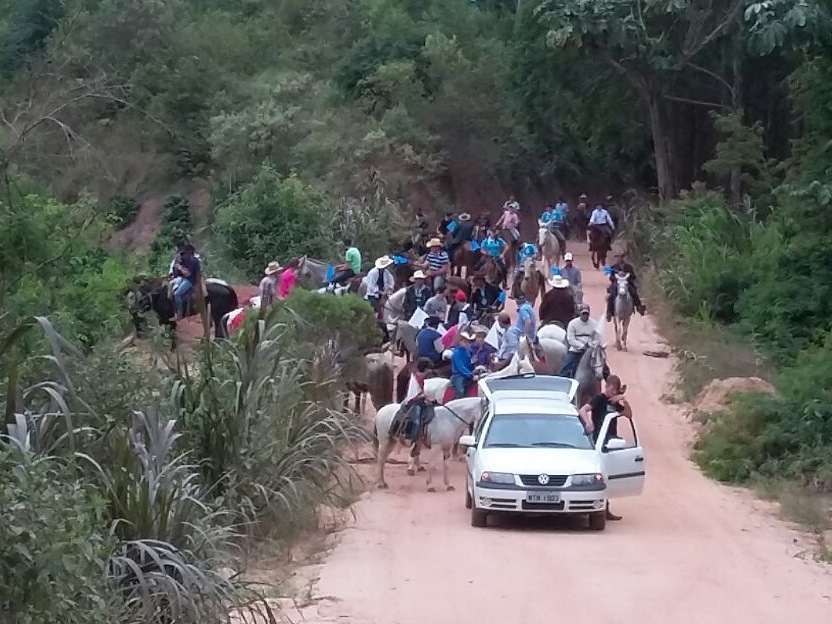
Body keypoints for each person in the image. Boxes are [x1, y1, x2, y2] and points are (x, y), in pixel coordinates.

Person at [578, 374, 631, 521]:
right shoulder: (599, 399)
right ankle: (598, 507)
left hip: (611, 441)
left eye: (614, 390)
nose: (611, 392)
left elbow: (628, 414)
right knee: (599, 475)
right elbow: (583, 410)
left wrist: (623, 400)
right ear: (606, 386)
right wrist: (588, 423)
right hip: (599, 441)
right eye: (610, 389)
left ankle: (606, 507)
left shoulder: (614, 403)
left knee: (609, 476)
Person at [559, 304, 597, 378]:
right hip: (576, 350)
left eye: (587, 314)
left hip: (590, 350)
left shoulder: (595, 324)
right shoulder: (572, 323)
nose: (585, 316)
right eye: (583, 314)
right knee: (565, 368)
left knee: (602, 366)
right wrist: (582, 346)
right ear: (580, 313)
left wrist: (591, 345)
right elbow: (571, 339)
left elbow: (597, 338)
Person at [606, 250, 647, 320]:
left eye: (621, 257)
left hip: (626, 283)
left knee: (634, 293)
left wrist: (627, 275)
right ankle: (609, 312)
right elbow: (611, 277)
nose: (619, 259)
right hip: (617, 284)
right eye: (618, 257)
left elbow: (634, 276)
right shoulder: (614, 267)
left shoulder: (629, 267)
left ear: (623, 258)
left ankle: (639, 307)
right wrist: (616, 277)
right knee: (611, 295)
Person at [403, 358, 433, 445]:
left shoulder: (422, 378)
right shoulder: (417, 379)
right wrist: (424, 395)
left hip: (422, 400)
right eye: (429, 369)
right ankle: (413, 440)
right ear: (426, 369)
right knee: (416, 421)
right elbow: (414, 394)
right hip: (414, 402)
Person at [171, 244, 201, 320]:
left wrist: (180, 268)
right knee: (172, 285)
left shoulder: (194, 261)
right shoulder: (187, 260)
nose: (184, 255)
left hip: (191, 280)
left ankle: (180, 313)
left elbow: (188, 274)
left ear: (190, 252)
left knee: (177, 294)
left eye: (186, 253)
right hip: (185, 279)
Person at [450, 330, 477, 399]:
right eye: (465, 341)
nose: (467, 343)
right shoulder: (456, 353)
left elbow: (469, 364)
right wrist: (471, 375)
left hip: (468, 374)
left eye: (468, 341)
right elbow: (461, 367)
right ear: (460, 342)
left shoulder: (468, 352)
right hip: (458, 375)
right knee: (461, 390)